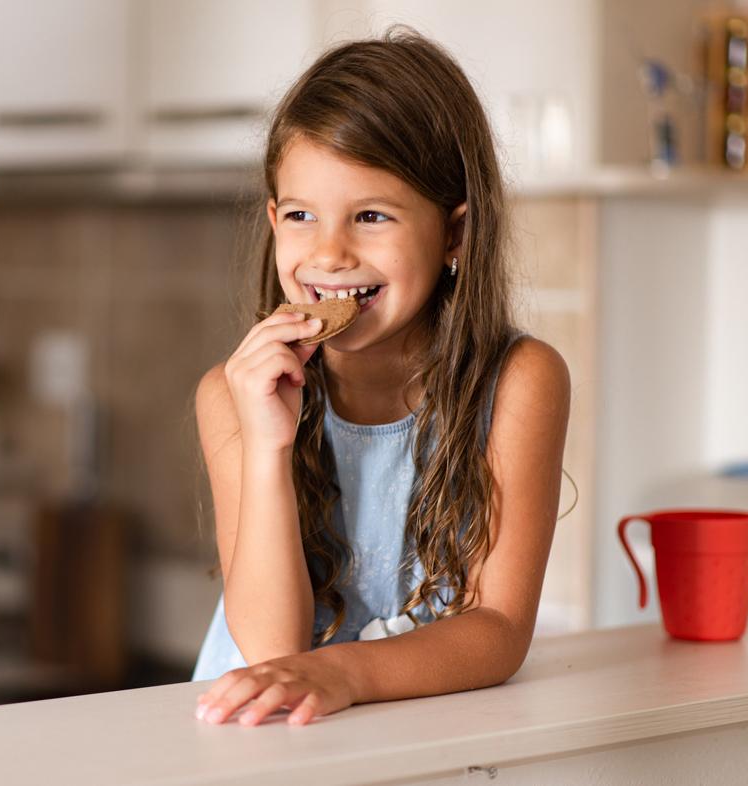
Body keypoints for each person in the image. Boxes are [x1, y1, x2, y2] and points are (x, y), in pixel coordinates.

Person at [190, 25, 572, 728]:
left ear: (454, 233)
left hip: (406, 734)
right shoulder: (230, 396)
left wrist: (341, 672)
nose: (329, 253)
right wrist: (269, 446)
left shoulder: (519, 383)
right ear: (274, 221)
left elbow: (498, 629)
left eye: (370, 216)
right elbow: (273, 649)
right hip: (262, 734)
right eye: (301, 215)